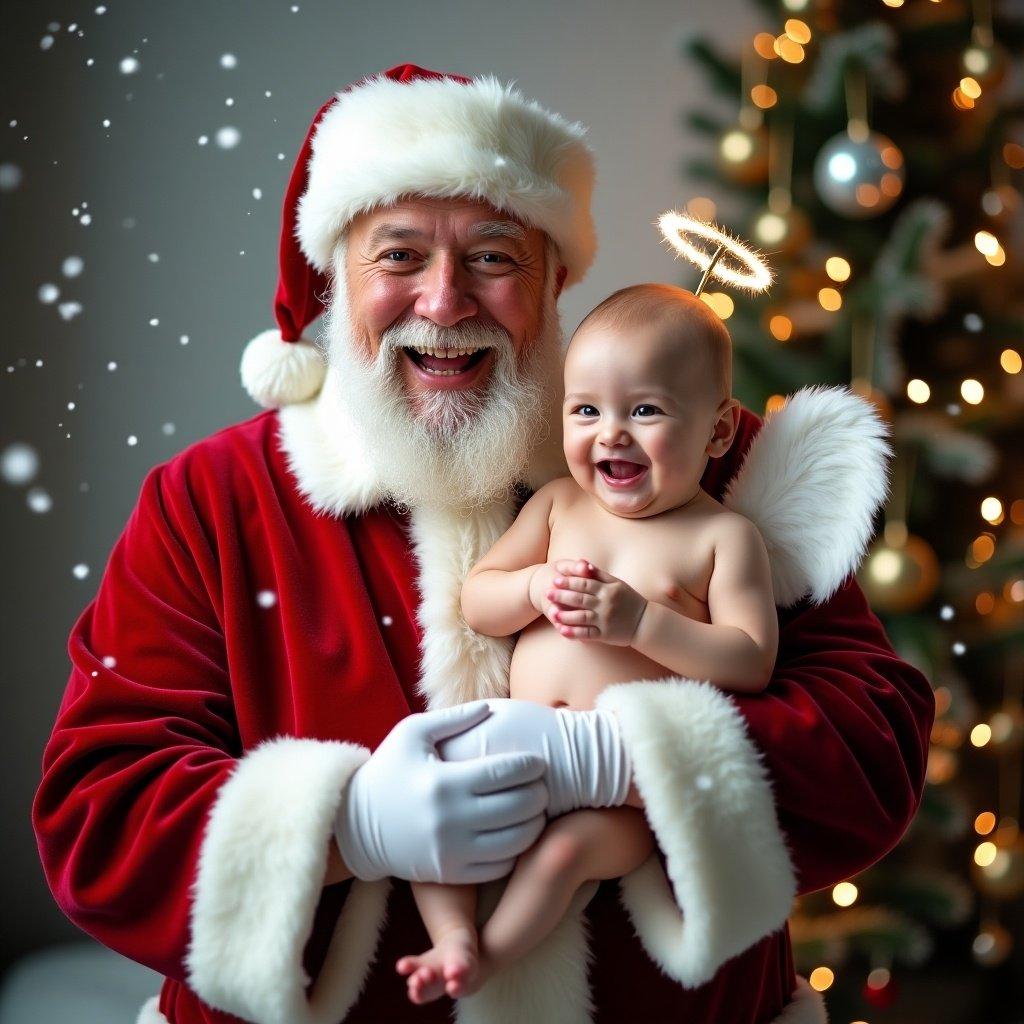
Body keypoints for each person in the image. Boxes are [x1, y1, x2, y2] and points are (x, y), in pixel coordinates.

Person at [32, 65, 934, 1024]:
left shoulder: (702, 459)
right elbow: (99, 815)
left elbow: (872, 743)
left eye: (494, 257)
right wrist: (351, 825)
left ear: (554, 278)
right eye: (399, 255)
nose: (444, 300)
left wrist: (625, 762)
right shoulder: (211, 500)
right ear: (336, 277)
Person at [398, 282, 781, 1004]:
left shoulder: (723, 538)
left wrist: (645, 624)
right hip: (526, 743)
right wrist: (534, 586)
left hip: (624, 778)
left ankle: (489, 956)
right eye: (586, 410)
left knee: (565, 855)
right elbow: (479, 602)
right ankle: (450, 938)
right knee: (426, 800)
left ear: (719, 432)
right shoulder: (558, 504)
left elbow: (751, 659)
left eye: (645, 410)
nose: (610, 434)